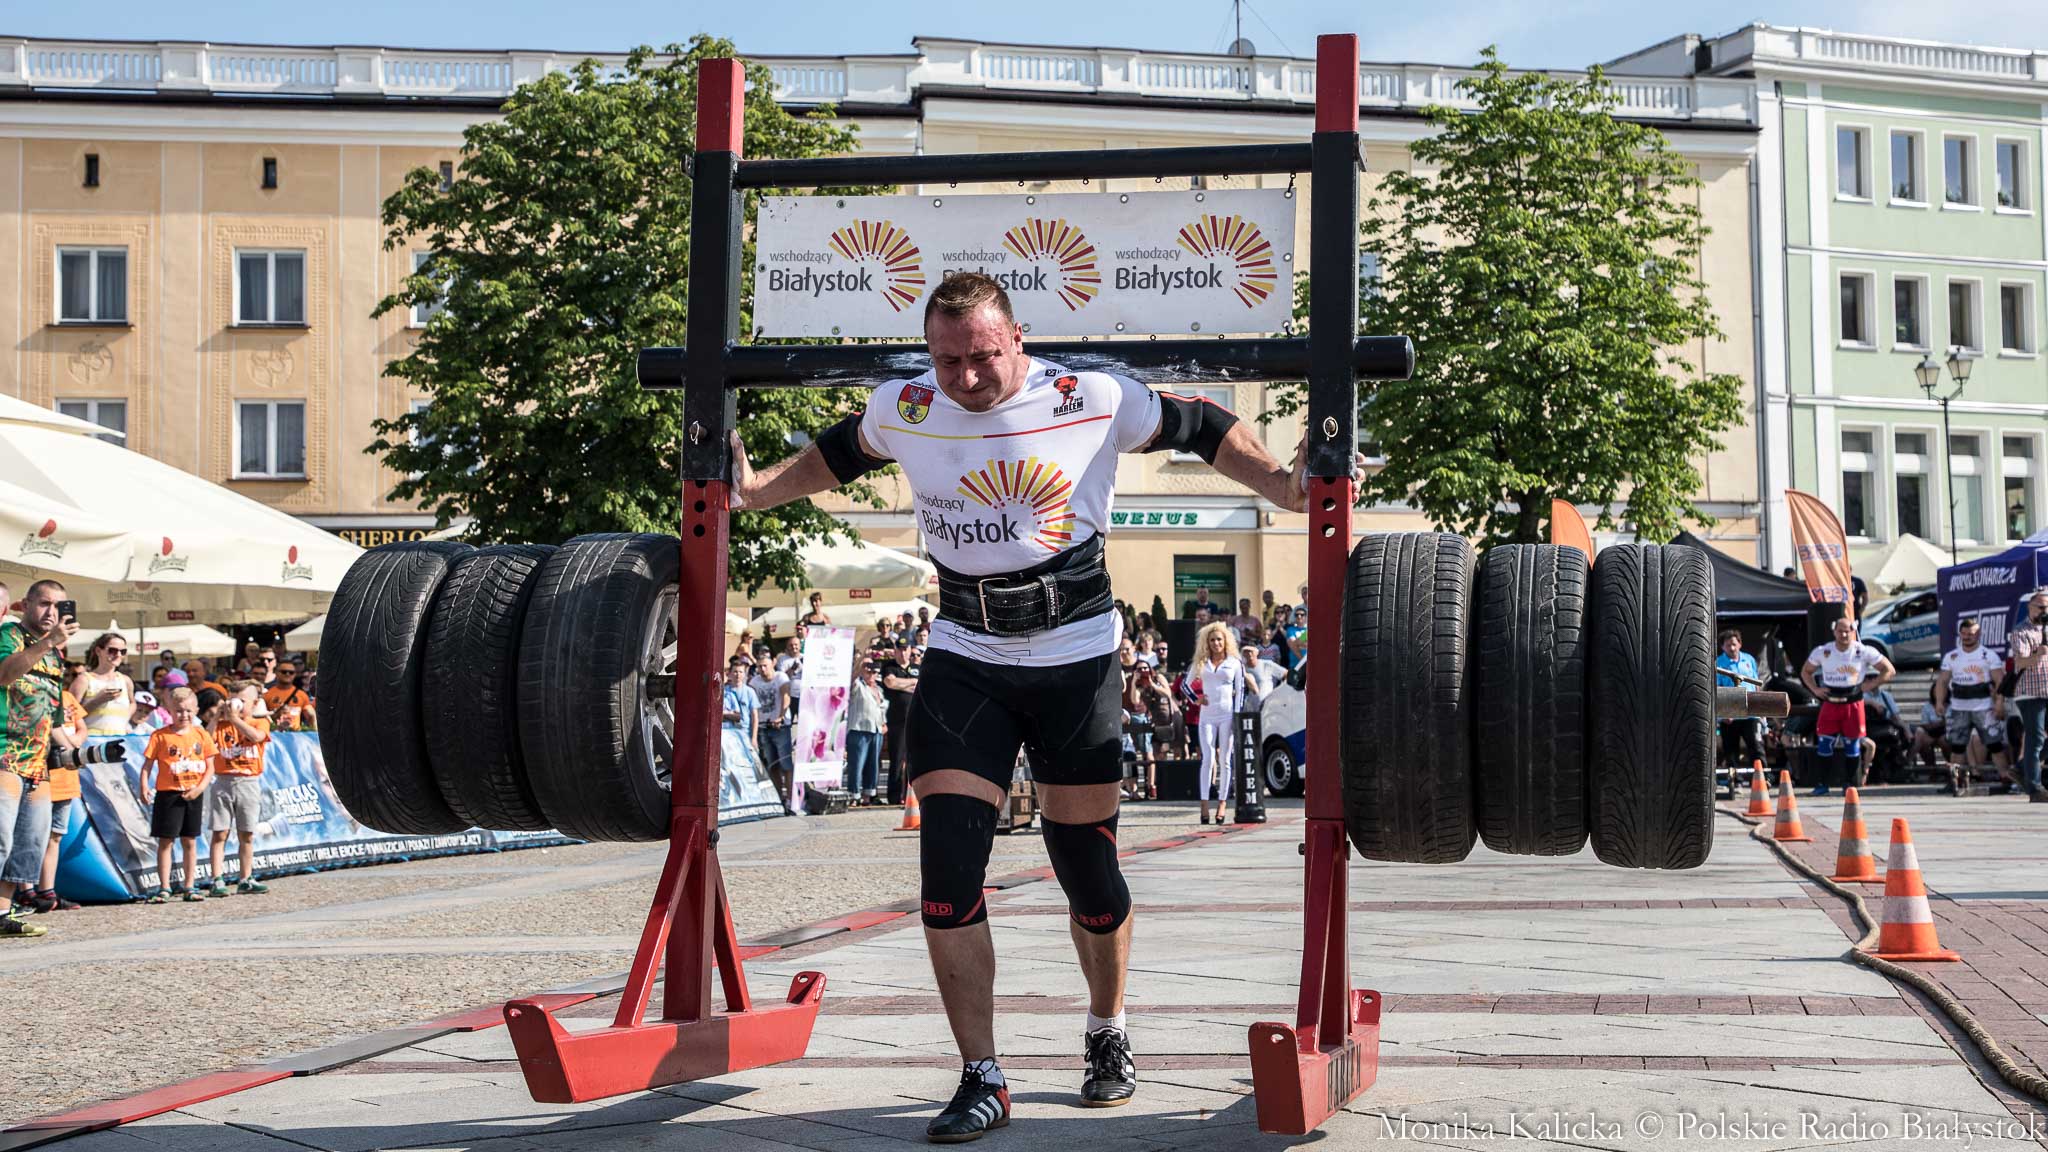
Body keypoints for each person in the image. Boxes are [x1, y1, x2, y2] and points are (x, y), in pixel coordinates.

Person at [724, 271, 1328, 1139]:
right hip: (965, 654)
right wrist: (753, 491)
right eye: (947, 361)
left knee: (1087, 872)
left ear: (1018, 338)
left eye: (982, 357)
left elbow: (1199, 423)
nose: (965, 378)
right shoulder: (907, 406)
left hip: (1074, 658)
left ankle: (1107, 1027)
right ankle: (982, 1074)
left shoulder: (1090, 397)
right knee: (946, 875)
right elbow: (838, 454)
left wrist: (1281, 487)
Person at [0, 579, 80, 938]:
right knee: (1, 840)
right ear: (25, 604)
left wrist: (74, 752)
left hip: (38, 762)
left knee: (29, 844)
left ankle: (2, 913)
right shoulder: (9, 635)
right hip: (5, 754)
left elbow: (55, 715)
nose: (51, 612)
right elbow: (4, 674)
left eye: (58, 606)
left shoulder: (56, 655)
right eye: (44, 603)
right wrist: (48, 641)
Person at [1801, 616, 1895, 797]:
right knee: (1824, 744)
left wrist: (1871, 684)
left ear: (1853, 631)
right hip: (1830, 702)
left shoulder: (1863, 651)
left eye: (1847, 631)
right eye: (1840, 631)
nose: (1844, 635)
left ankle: (1849, 784)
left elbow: (1889, 670)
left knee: (1852, 745)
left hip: (1853, 703)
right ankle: (1822, 784)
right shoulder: (1823, 651)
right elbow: (1806, 671)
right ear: (1834, 631)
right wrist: (1815, 689)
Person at [140, 686, 216, 902]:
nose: (184, 715)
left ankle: (189, 885)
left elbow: (210, 766)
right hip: (168, 794)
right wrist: (144, 786)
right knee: (166, 841)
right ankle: (164, 887)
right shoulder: (160, 736)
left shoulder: (201, 735)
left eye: (188, 711)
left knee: (189, 841)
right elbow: (147, 765)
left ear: (196, 710)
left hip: (193, 793)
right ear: (170, 711)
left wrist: (199, 789)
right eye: (179, 711)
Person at [20, 687, 89, 914]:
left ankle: (47, 892)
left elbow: (82, 728)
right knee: (30, 836)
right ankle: (26, 891)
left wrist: (70, 744)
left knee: (55, 837)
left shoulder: (67, 697)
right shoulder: (32, 694)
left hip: (66, 779)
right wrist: (64, 742)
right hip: (40, 777)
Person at [203, 682, 272, 897]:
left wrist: (235, 719)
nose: (237, 705)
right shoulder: (222, 724)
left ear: (254, 703)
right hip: (223, 780)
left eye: (242, 701)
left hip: (248, 781)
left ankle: (246, 877)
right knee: (220, 832)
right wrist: (217, 717)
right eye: (233, 699)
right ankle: (217, 878)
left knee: (247, 833)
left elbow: (257, 737)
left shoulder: (259, 722)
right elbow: (205, 742)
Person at [1935, 617, 2010, 791]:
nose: (1968, 637)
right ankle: (1955, 781)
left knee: (1995, 745)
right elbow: (1942, 681)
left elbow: (2000, 681)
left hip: (1984, 708)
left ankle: (2006, 779)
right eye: (1965, 633)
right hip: (1959, 708)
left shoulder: (1988, 655)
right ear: (1960, 634)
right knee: (1957, 747)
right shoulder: (1952, 656)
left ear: (1979, 634)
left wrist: (1999, 703)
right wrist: (1939, 702)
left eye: (1972, 633)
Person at [1192, 622, 1244, 825]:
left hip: (1227, 715)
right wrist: (1196, 698)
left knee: (1225, 759)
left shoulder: (1234, 662)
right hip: (1206, 716)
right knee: (1207, 758)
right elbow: (1186, 684)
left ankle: (1222, 803)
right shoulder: (1202, 662)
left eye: (1219, 639)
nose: (1216, 643)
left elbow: (1240, 690)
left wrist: (1237, 717)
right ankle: (1204, 803)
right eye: (1212, 640)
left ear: (1226, 641)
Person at [2006, 590, 2048, 801]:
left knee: (2039, 739)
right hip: (2030, 692)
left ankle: (2022, 768)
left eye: (2047, 607)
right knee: (2036, 737)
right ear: (2030, 608)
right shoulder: (2021, 631)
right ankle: (2035, 788)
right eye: (2040, 607)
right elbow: (2020, 662)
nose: (2044, 611)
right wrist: (2037, 654)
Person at [748, 646, 794, 814]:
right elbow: (752, 704)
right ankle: (779, 798)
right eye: (759, 666)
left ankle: (791, 799)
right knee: (772, 764)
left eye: (765, 666)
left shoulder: (781, 677)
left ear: (772, 664)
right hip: (763, 726)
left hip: (780, 726)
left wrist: (780, 716)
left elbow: (785, 696)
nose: (762, 669)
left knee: (786, 764)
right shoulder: (754, 681)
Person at [1715, 630, 1764, 773]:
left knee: (1756, 747)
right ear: (1722, 647)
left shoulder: (1749, 660)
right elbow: (1716, 689)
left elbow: (1756, 684)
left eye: (1734, 644)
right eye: (1728, 645)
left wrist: (1760, 708)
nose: (1732, 648)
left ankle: (1764, 778)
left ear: (1740, 644)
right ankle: (1735, 780)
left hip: (1750, 713)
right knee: (1731, 751)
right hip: (1730, 715)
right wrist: (1722, 714)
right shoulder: (1718, 663)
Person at [879, 639, 920, 806]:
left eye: (906, 649)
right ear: (895, 651)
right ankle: (894, 797)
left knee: (915, 760)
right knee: (896, 760)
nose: (903, 652)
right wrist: (912, 682)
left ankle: (913, 795)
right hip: (897, 721)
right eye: (900, 649)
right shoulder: (890, 667)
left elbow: (920, 686)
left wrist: (901, 684)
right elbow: (890, 682)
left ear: (910, 650)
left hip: (916, 720)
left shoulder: (917, 668)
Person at [846, 661, 886, 805]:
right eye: (868, 672)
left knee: (873, 764)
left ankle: (868, 794)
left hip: (876, 729)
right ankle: (854, 794)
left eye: (874, 672)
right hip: (859, 729)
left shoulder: (879, 689)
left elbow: (881, 708)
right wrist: (860, 664)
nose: (871, 675)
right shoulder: (858, 686)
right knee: (857, 764)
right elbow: (851, 680)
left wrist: (884, 723)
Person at [263, 658, 317, 731]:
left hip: (295, 735)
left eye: (291, 672)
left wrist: (314, 732)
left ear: (295, 674)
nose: (287, 674)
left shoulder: (301, 695)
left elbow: (311, 715)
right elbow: (262, 717)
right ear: (276, 672)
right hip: (274, 734)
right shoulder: (267, 695)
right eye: (284, 672)